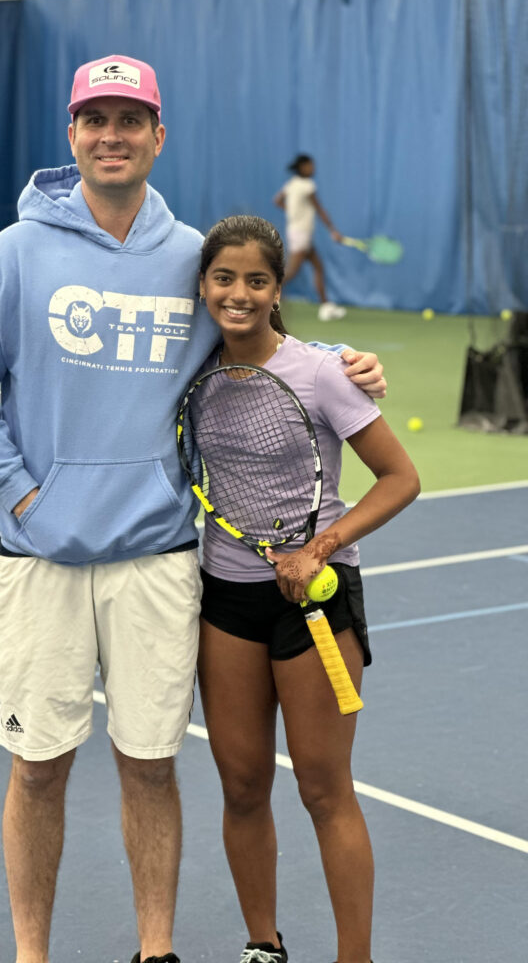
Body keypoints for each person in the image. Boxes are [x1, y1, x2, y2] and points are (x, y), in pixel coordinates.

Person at [0, 55, 388, 963]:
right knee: (38, 769)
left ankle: (156, 949)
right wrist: (26, 493)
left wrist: (346, 365)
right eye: (94, 119)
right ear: (72, 133)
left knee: (151, 765)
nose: (112, 135)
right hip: (39, 560)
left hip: (155, 560)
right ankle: (33, 953)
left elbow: (255, 323)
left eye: (130, 120)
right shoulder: (12, 254)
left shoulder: (189, 258)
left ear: (157, 137)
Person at [194, 215, 420, 963]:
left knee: (324, 789)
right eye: (223, 277)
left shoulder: (322, 371)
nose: (238, 293)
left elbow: (401, 478)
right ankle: (264, 945)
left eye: (256, 280)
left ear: (275, 289)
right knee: (243, 786)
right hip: (226, 599)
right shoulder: (193, 368)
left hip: (316, 602)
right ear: (203, 285)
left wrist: (319, 546)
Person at [273, 154, 345, 322]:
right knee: (292, 271)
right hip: (301, 234)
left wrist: (293, 213)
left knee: (318, 266)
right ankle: (268, 295)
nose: (313, 168)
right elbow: (319, 209)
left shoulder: (291, 184)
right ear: (302, 167)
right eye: (310, 165)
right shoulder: (307, 185)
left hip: (296, 231)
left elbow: (277, 201)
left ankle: (326, 306)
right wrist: (333, 231)